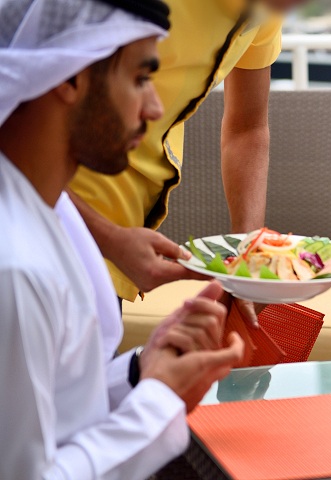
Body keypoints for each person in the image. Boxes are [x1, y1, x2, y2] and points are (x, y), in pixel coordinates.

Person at [0, 0, 244, 477]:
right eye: (139, 78)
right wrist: (158, 401)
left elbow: (61, 408)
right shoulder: (15, 266)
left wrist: (142, 370)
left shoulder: (49, 212)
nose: (155, 109)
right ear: (69, 75)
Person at [67, 0, 304, 325]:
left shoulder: (267, 11)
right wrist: (107, 238)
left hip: (121, 230)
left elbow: (247, 128)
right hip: (51, 219)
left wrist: (247, 258)